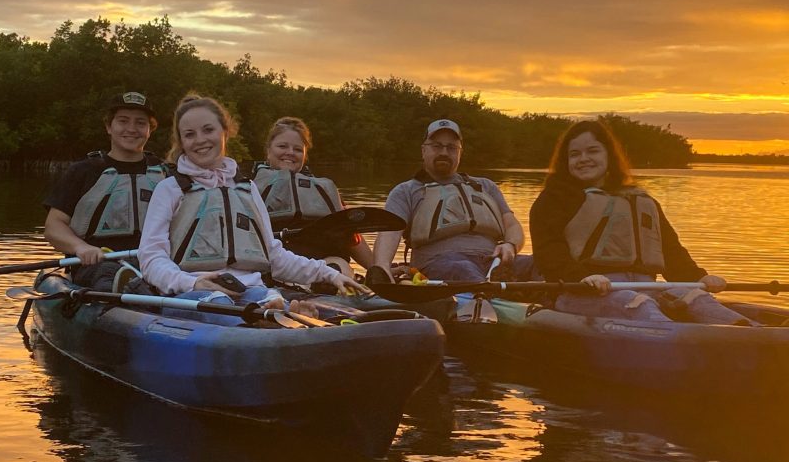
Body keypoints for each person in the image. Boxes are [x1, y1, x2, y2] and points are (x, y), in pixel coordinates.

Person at [138, 95, 366, 324]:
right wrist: (191, 282)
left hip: (250, 290)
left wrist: (329, 273)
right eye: (190, 134)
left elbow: (273, 256)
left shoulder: (247, 188)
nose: (200, 140)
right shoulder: (169, 189)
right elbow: (151, 258)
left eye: (208, 130)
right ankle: (274, 321)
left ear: (225, 131)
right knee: (221, 303)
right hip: (191, 294)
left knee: (265, 297)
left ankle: (283, 316)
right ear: (181, 141)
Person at [529, 119, 754, 325]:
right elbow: (548, 251)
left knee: (695, 296)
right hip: (579, 292)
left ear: (609, 156)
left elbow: (670, 249)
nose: (584, 159)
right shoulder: (554, 200)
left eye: (593, 151)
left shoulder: (639, 199)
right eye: (574, 154)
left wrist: (698, 277)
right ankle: (674, 339)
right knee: (636, 304)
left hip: (645, 288)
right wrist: (580, 278)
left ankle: (753, 333)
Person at [372, 118, 536, 282]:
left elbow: (512, 224)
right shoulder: (406, 191)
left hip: (493, 262)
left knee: (542, 263)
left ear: (460, 152)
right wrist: (382, 267)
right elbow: (389, 234)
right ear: (423, 151)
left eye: (451, 147)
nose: (444, 152)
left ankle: (554, 303)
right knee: (463, 269)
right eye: (437, 146)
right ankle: (485, 299)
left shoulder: (486, 186)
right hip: (440, 263)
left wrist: (511, 246)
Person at [44, 91, 165, 291]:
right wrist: (81, 247)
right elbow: (53, 227)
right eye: (123, 121)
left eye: (140, 123)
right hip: (95, 265)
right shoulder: (83, 171)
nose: (131, 129)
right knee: (109, 273)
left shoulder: (165, 174)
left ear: (150, 130)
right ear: (109, 127)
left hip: (154, 263)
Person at [253, 116, 373, 275]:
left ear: (305, 155)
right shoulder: (249, 188)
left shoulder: (324, 190)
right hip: (275, 264)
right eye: (282, 146)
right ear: (268, 151)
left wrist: (377, 267)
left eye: (297, 149)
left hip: (326, 262)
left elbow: (350, 235)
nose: (290, 153)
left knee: (338, 267)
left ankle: (328, 287)